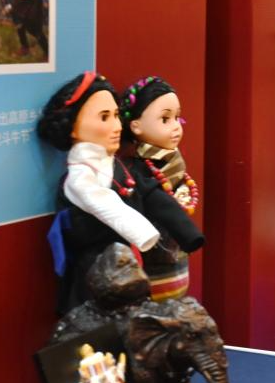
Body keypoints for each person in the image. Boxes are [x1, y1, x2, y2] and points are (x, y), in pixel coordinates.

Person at [37, 72, 203, 314]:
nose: (116, 126)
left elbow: (152, 195)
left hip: (130, 268)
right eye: (104, 117)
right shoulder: (80, 178)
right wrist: (144, 234)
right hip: (94, 277)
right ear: (73, 126)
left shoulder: (121, 168)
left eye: (116, 115)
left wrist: (187, 233)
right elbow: (105, 204)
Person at [120, 76, 201, 301]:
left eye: (177, 117)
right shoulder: (137, 172)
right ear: (136, 126)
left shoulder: (174, 165)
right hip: (150, 266)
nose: (176, 126)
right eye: (165, 119)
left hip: (177, 264)